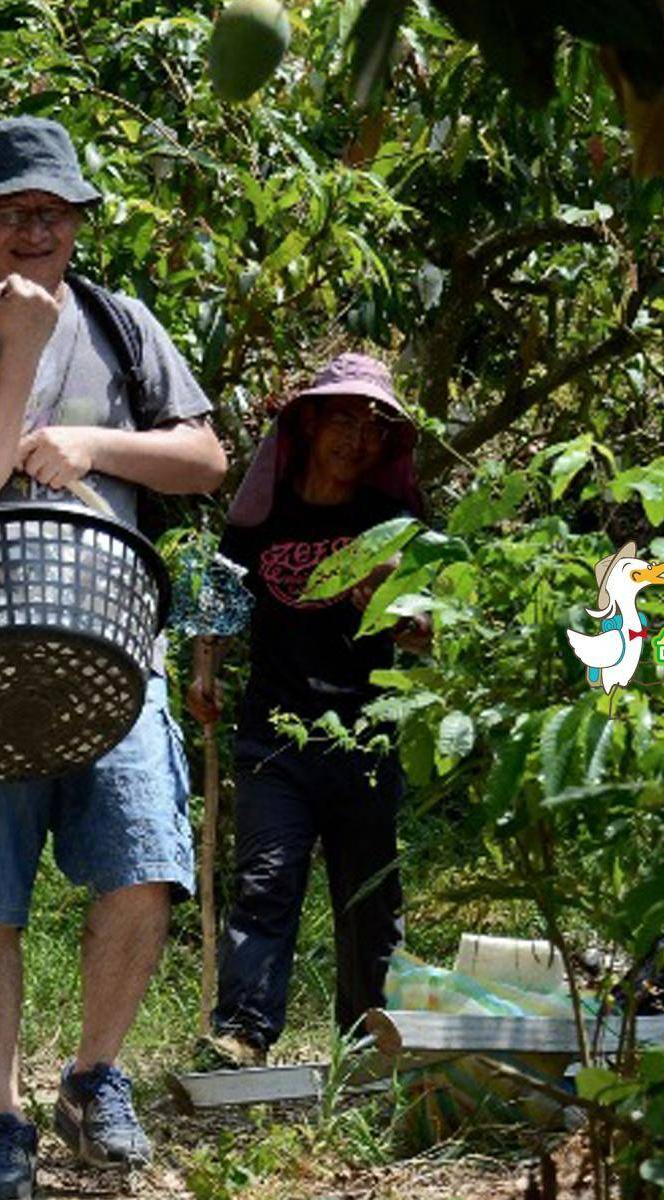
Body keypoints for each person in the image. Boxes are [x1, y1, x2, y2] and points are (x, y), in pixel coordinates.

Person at [0, 115, 229, 1200]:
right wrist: (19, 354)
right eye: (15, 211)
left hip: (116, 646)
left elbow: (205, 459)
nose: (37, 231)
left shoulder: (125, 327)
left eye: (56, 213)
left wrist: (94, 446)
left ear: (77, 223)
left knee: (143, 867)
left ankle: (94, 1076)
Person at [192, 352, 431, 1070]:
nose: (358, 438)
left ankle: (370, 1041)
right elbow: (221, 595)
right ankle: (242, 1032)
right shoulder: (265, 512)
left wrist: (402, 618)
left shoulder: (392, 523)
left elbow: (433, 627)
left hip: (368, 736)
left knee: (369, 893)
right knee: (266, 880)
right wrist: (205, 667)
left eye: (375, 426)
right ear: (310, 422)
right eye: (345, 418)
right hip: (276, 733)